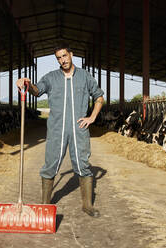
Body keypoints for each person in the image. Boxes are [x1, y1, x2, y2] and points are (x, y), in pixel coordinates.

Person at [16, 42, 104, 218]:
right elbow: (36, 90)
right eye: (59, 58)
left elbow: (99, 97)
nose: (63, 60)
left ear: (71, 54)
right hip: (57, 129)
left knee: (83, 165)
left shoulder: (85, 77)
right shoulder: (51, 77)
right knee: (50, 165)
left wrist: (92, 117)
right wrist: (27, 83)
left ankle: (87, 205)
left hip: (79, 129)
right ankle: (44, 205)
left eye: (65, 55)